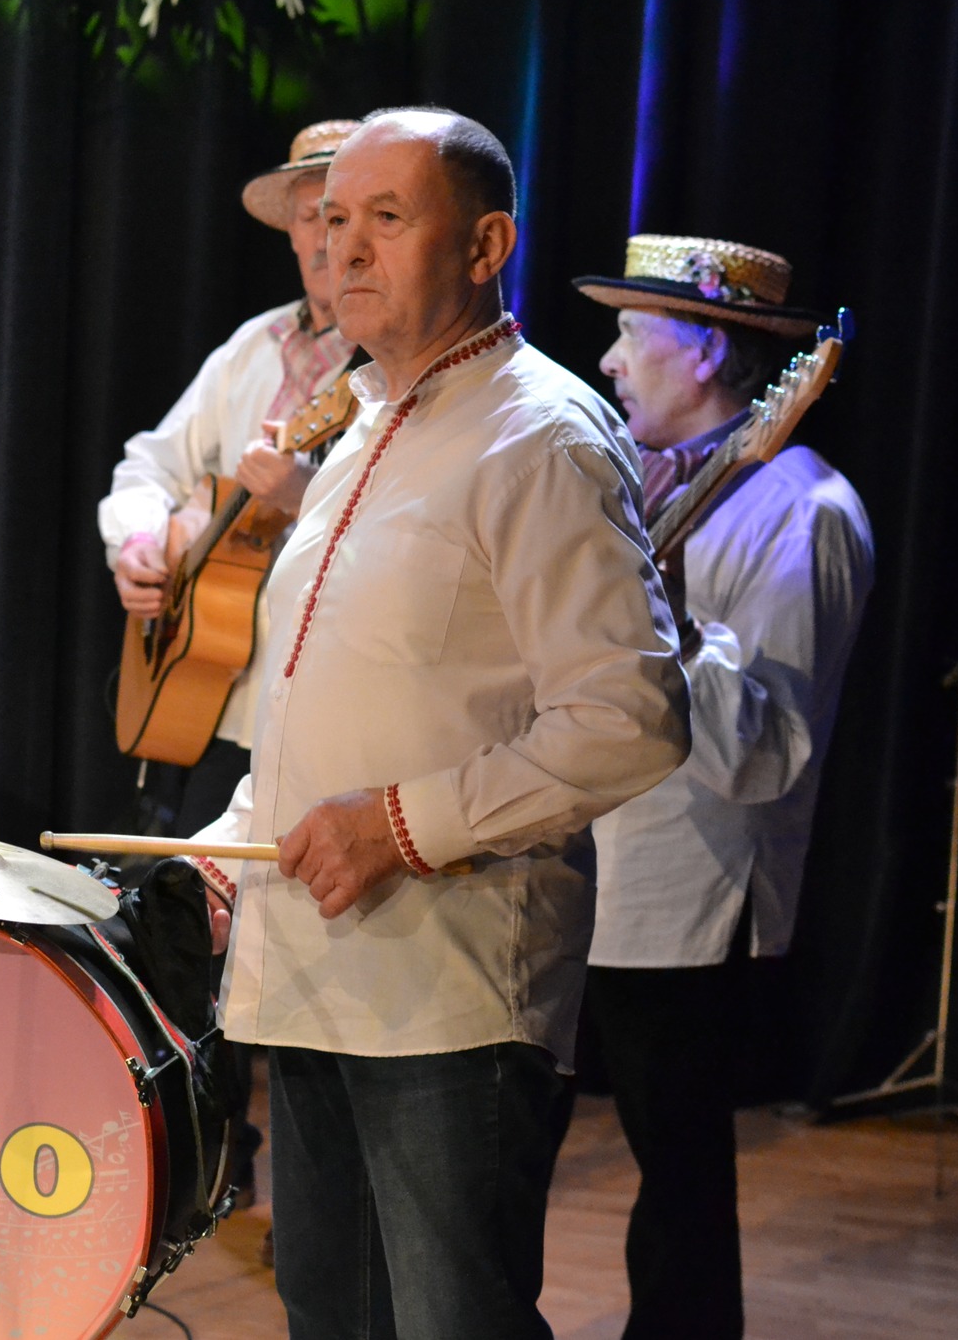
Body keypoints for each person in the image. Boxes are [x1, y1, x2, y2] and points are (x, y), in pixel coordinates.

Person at [193, 108, 692, 1340]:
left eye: (385, 218)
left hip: (445, 994)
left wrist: (400, 828)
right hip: (310, 974)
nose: (343, 248)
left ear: (484, 245)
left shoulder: (541, 436)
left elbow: (630, 716)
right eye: (331, 220)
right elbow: (324, 689)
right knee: (330, 1315)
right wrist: (234, 834)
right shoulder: (361, 420)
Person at [572, 235, 875, 1338]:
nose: (607, 361)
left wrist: (667, 621)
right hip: (579, 870)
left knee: (680, 1184)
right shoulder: (640, 484)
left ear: (704, 350)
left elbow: (767, 753)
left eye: (630, 335)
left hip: (684, 895)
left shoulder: (802, 510)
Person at [98, 117, 360, 835]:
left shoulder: (393, 367)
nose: (324, 238)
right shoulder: (252, 345)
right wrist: (141, 542)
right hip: (204, 701)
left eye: (340, 217)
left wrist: (304, 495)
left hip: (317, 717)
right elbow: (150, 462)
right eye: (308, 217)